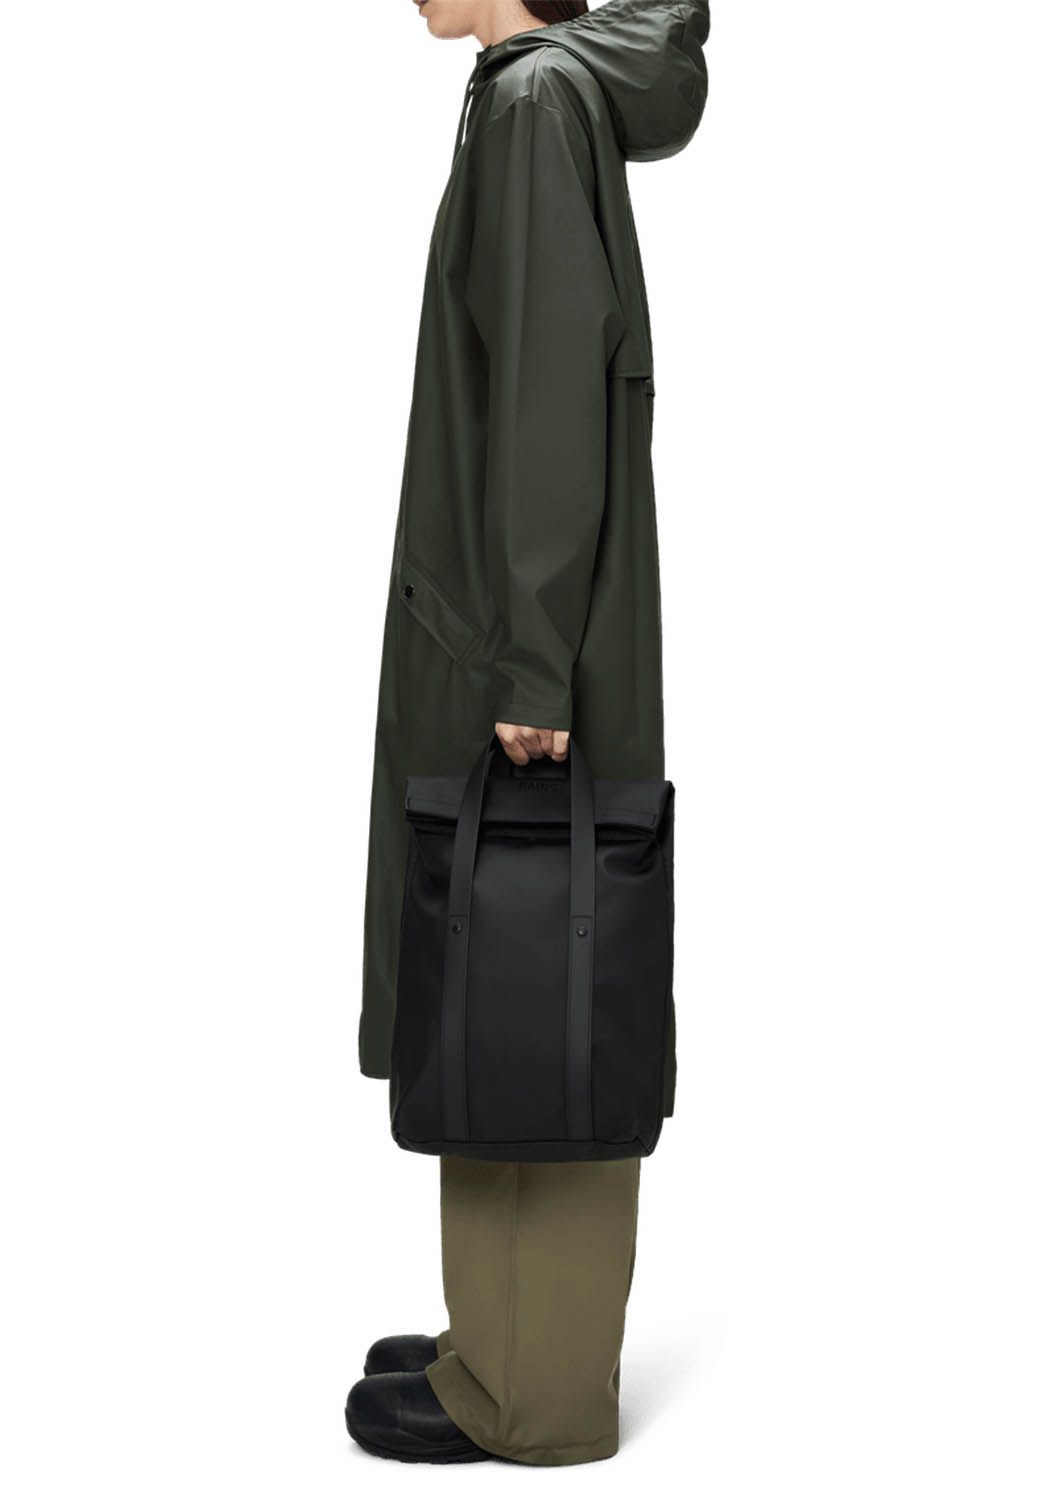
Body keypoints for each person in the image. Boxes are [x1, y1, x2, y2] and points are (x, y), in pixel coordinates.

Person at [347, 0, 710, 1466]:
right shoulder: (531, 91)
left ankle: (533, 1393)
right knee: (497, 966)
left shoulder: (537, 104)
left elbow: (552, 397)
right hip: (515, 620)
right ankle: (492, 1338)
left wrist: (534, 668)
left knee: (530, 972)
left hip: (526, 635)